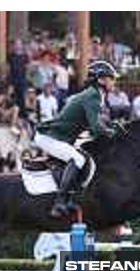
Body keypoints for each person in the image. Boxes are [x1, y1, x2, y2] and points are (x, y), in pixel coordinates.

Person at [34, 59, 119, 217]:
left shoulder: (95, 95)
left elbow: (95, 127)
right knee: (78, 159)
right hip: (49, 137)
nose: (114, 81)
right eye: (111, 78)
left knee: (84, 156)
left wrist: (110, 127)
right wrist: (113, 133)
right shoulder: (93, 96)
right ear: (100, 79)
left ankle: (73, 196)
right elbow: (95, 128)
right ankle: (59, 202)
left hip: (59, 137)